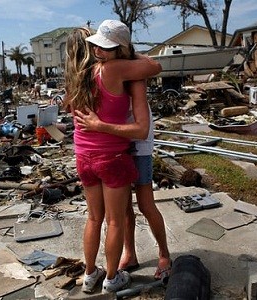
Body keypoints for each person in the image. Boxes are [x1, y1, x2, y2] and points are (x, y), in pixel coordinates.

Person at [63, 21, 161, 294]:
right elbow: (154, 66)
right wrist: (127, 52)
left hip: (84, 156)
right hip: (112, 156)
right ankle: (112, 278)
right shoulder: (113, 68)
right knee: (115, 221)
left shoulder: (76, 78)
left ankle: (90, 273)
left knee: (93, 218)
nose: (97, 48)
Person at [74, 85, 172, 283]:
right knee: (123, 210)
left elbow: (150, 66)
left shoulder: (131, 75)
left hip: (139, 145)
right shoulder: (101, 76)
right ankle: (130, 254)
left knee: (146, 204)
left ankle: (164, 255)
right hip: (116, 146)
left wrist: (99, 126)